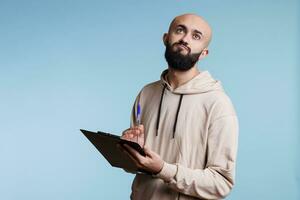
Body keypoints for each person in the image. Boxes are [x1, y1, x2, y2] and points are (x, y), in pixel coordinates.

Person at [119, 13, 239, 200]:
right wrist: (132, 151)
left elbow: (221, 184)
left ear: (204, 53)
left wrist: (163, 169)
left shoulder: (218, 104)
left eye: (196, 36)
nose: (185, 39)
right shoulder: (146, 93)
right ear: (166, 38)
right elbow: (138, 167)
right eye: (180, 30)